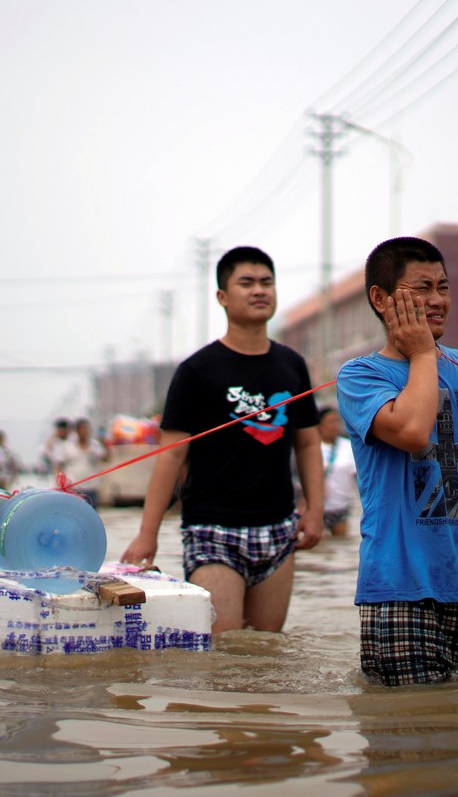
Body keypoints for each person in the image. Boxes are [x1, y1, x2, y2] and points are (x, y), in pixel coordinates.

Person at [336, 236, 458, 687]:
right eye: (421, 289)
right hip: (400, 590)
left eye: (443, 287)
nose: (437, 301)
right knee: (408, 732)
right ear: (380, 299)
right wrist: (423, 353)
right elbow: (411, 432)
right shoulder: (362, 375)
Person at [120, 246, 324, 636]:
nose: (259, 290)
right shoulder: (196, 370)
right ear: (223, 297)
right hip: (212, 529)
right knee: (226, 650)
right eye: (246, 283)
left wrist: (315, 509)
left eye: (266, 282)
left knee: (264, 652)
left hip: (278, 527)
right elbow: (171, 455)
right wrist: (148, 533)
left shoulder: (292, 365)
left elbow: (309, 444)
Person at [317, 405, 359, 538]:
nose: (334, 426)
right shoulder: (311, 447)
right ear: (319, 424)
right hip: (316, 509)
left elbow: (361, 478)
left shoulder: (348, 446)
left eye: (337, 421)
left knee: (341, 543)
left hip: (340, 507)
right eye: (330, 422)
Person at [53, 417, 110, 508]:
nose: (84, 431)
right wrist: (60, 484)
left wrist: (105, 443)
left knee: (91, 516)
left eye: (86, 429)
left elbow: (106, 458)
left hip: (91, 488)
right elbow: (59, 465)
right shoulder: (68, 446)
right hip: (74, 489)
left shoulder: (94, 445)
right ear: (77, 431)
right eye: (82, 429)